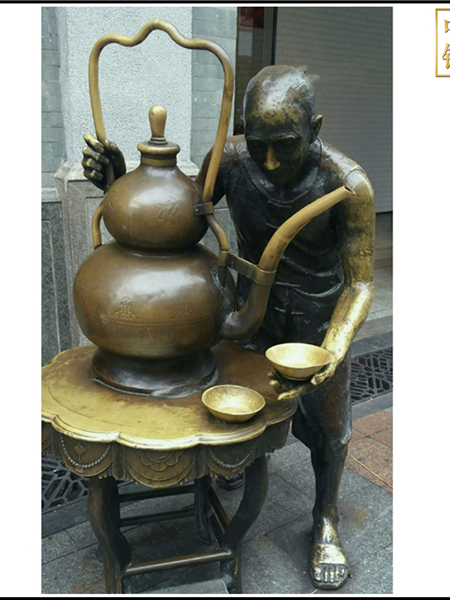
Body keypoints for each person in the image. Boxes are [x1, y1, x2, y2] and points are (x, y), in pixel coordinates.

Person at [81, 65, 375, 590]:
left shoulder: (347, 184)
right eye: (258, 143)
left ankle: (325, 517)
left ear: (315, 128)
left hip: (317, 318)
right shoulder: (234, 159)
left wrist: (333, 347)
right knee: (229, 406)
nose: (270, 161)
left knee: (330, 430)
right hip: (249, 310)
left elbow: (360, 283)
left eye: (285, 145)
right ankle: (234, 466)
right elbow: (180, 215)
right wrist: (121, 182)